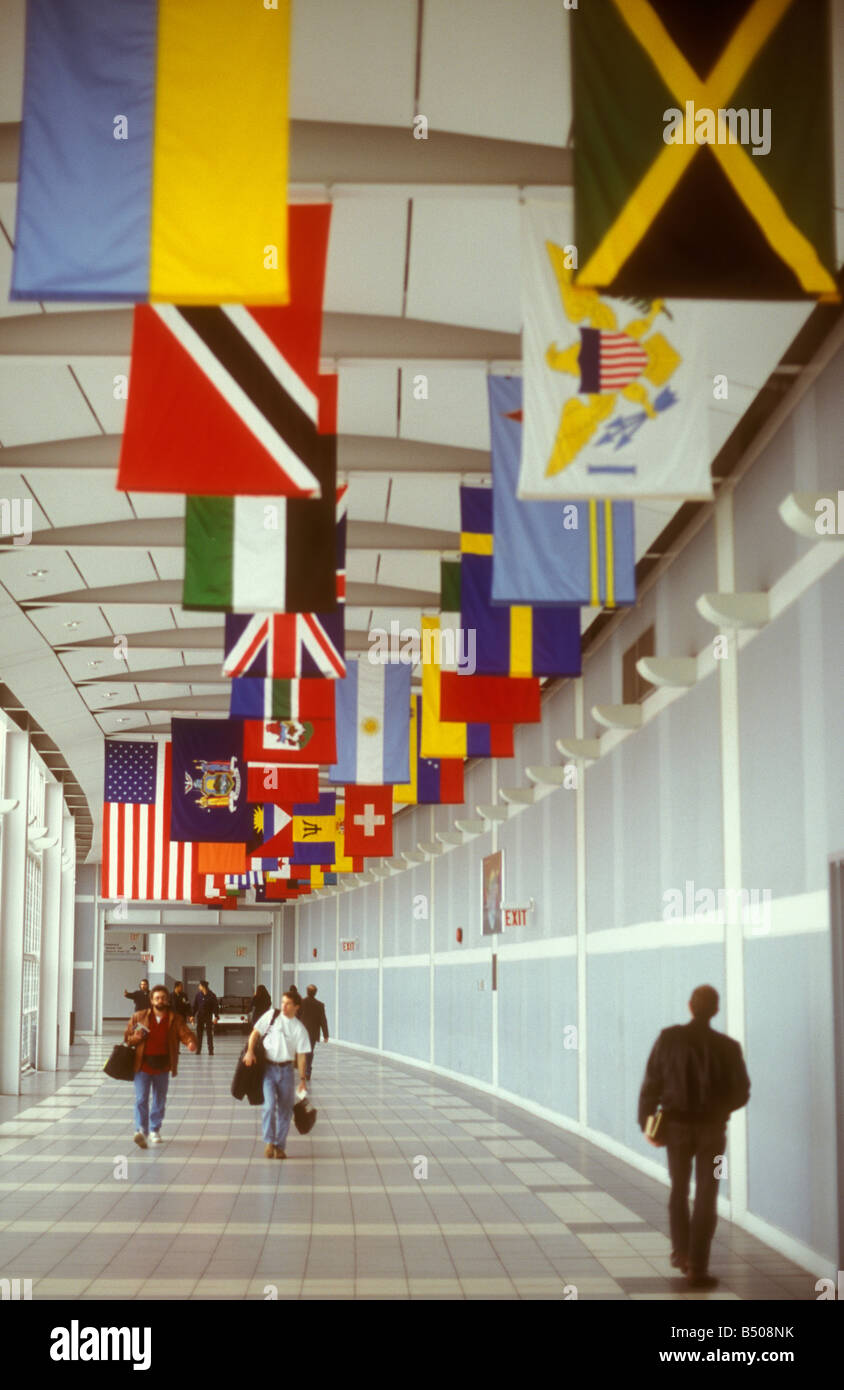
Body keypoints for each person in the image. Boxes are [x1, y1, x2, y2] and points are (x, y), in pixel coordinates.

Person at [638, 985, 750, 1289]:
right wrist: (719, 1109)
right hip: (713, 1133)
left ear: (690, 1006)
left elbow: (651, 1085)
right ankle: (698, 1267)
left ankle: (681, 1252)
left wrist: (649, 1126)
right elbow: (742, 1093)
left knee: (678, 1189)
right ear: (715, 1010)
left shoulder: (668, 1039)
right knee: (707, 1194)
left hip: (675, 1131)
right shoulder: (728, 1047)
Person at [125, 984, 197, 1149]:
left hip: (163, 1066)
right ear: (151, 1000)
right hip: (142, 1065)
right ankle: (140, 1131)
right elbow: (127, 1037)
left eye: (163, 998)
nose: (160, 1001)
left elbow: (184, 1032)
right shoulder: (139, 1016)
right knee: (141, 1098)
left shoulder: (174, 1018)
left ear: (168, 1000)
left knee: (159, 1099)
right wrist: (135, 1037)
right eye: (157, 998)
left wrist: (190, 1042)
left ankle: (154, 1129)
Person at [243, 989, 310, 1160]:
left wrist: (302, 1079)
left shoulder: (299, 1029)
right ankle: (269, 1141)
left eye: (288, 1004)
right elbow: (255, 1033)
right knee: (269, 1106)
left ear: (296, 1007)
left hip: (287, 1071)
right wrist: (250, 1051)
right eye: (283, 1002)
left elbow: (302, 1056)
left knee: (285, 1111)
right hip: (269, 1070)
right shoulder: (272, 1016)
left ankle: (280, 1146)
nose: (284, 1007)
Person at [298, 984, 329, 1080]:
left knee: (302, 1050)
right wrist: (325, 1035)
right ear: (315, 993)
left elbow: (297, 1016)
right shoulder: (320, 1005)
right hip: (313, 1032)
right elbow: (323, 1020)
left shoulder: (301, 1003)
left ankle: (303, 1069)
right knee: (310, 1051)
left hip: (302, 1031)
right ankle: (308, 1070)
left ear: (307, 992)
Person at [191, 980, 220, 1055]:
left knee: (209, 1034)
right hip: (200, 1016)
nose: (198, 987)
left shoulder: (212, 995)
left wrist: (216, 1016)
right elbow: (195, 1006)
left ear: (203, 986)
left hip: (208, 1016)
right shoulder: (198, 995)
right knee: (199, 1034)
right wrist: (192, 1015)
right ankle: (198, 1050)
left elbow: (215, 1007)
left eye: (199, 985)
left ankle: (211, 1050)